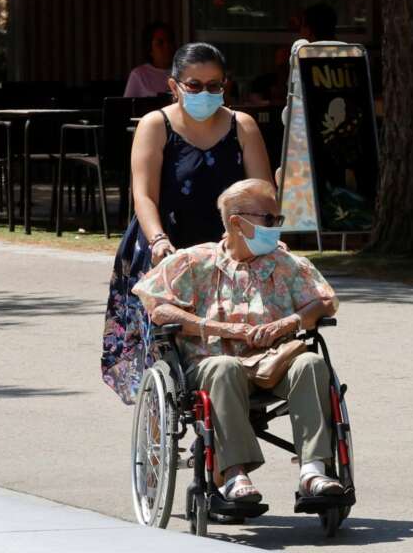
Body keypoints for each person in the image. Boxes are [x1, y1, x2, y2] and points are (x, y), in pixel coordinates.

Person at [133, 179, 343, 501]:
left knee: (311, 363)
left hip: (273, 362)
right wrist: (219, 329)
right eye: (269, 220)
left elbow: (325, 301)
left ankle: (313, 470)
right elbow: (158, 309)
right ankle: (233, 474)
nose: (276, 228)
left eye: (278, 220)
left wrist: (288, 322)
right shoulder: (194, 262)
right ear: (236, 222)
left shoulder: (284, 264)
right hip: (211, 366)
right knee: (224, 367)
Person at [102, 42, 273, 404]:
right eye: (194, 85)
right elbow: (144, 195)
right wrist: (158, 240)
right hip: (169, 243)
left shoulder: (242, 126)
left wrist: (264, 234)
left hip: (228, 247)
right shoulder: (156, 125)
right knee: (167, 337)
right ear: (174, 85)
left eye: (214, 86)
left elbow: (261, 194)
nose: (205, 93)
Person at [124, 22, 176, 97]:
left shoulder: (184, 72)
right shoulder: (139, 74)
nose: (167, 47)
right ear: (149, 48)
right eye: (160, 43)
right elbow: (126, 106)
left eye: (170, 41)